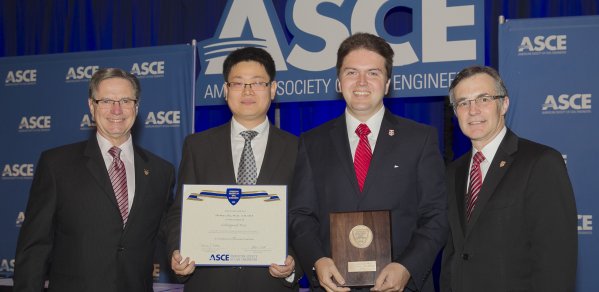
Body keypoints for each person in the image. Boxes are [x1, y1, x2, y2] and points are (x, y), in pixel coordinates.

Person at [289, 32, 448, 292]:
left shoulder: (420, 138)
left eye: (373, 73)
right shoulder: (312, 142)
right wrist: (316, 261)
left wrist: (407, 267)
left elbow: (436, 215)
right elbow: (301, 215)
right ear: (339, 82)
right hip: (334, 286)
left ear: (387, 84)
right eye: (351, 72)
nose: (361, 82)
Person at [13, 68, 175, 292]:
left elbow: (168, 229)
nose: (116, 109)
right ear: (92, 106)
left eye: (125, 100)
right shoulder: (56, 164)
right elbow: (33, 247)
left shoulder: (161, 171)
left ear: (136, 107)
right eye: (106, 100)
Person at [166, 47, 302, 291]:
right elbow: (180, 212)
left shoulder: (297, 148)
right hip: (209, 282)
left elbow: (303, 217)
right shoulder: (198, 146)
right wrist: (177, 252)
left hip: (270, 284)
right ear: (226, 90)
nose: (248, 91)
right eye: (238, 83)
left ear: (272, 89)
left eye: (257, 83)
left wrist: (293, 266)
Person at [440, 65, 578, 292]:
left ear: (504, 104)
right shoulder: (454, 171)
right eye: (463, 103)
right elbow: (455, 251)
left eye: (483, 99)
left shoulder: (540, 162)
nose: (473, 110)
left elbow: (556, 259)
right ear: (456, 113)